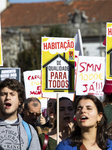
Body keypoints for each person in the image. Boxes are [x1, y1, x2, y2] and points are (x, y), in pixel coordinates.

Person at [0, 78, 41, 150]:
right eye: (4, 94)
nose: (8, 97)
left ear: (20, 100)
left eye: (12, 94)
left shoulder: (29, 131)